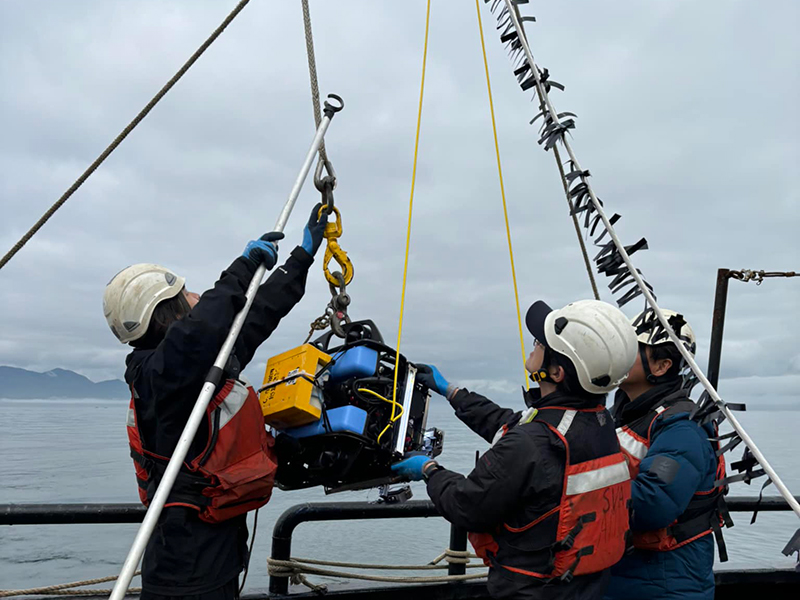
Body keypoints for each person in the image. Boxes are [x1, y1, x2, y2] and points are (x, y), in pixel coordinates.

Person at [102, 204, 328, 600]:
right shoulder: (158, 374)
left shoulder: (199, 368)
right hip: (185, 574)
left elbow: (258, 313)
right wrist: (241, 267)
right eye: (182, 293)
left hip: (217, 558)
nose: (194, 295)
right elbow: (202, 327)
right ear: (165, 312)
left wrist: (302, 258)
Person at [392, 299, 638, 600]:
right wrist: (452, 393)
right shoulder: (598, 423)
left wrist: (428, 470)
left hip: (530, 591)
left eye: (539, 342)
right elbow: (510, 424)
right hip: (581, 588)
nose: (533, 345)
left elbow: (466, 504)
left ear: (557, 372)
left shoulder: (534, 442)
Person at [605, 309, 727, 600]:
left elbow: (653, 504)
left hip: (664, 585)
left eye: (629, 347)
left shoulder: (682, 430)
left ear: (661, 366)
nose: (615, 353)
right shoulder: (621, 417)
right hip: (623, 577)